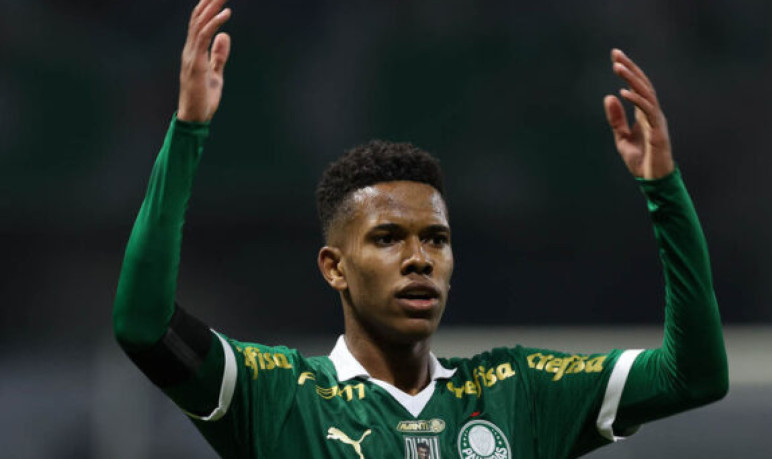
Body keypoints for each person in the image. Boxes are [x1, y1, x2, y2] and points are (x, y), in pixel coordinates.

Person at [112, 0, 729, 457]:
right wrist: (189, 131)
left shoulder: (520, 393)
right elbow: (143, 326)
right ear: (334, 267)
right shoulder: (279, 398)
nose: (420, 259)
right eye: (387, 238)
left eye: (435, 239)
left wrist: (662, 190)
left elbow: (695, 375)